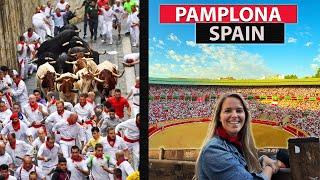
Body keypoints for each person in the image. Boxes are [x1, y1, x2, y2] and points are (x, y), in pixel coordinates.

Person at [194, 93, 279, 180]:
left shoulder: (234, 144)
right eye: (228, 111)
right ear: (219, 117)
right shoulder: (213, 150)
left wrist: (262, 160)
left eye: (239, 110)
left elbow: (239, 167)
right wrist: (269, 168)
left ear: (245, 116)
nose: (234, 115)